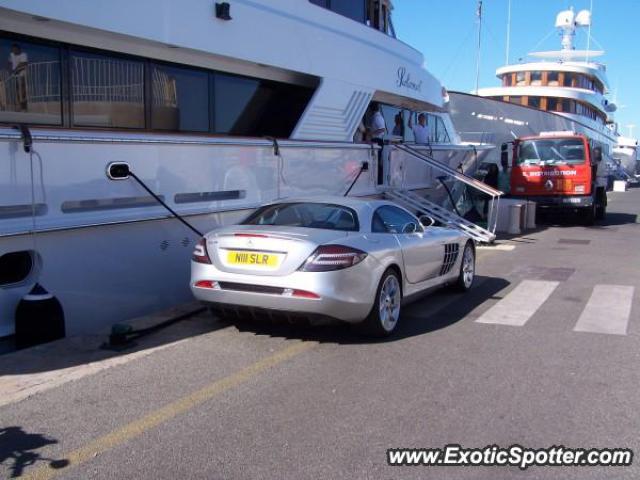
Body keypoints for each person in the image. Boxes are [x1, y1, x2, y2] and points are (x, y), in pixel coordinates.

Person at [367, 102, 387, 184]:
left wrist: (371, 133)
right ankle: (377, 180)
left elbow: (382, 129)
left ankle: (378, 181)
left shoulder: (377, 117)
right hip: (377, 140)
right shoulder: (378, 117)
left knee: (376, 161)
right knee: (376, 161)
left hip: (377, 140)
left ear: (372, 109)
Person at [8, 43, 28, 111]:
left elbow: (23, 64)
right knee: (17, 90)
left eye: (15, 49)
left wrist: (15, 70)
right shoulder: (12, 55)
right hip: (15, 76)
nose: (14, 51)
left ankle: (24, 106)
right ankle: (19, 105)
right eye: (13, 50)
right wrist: (11, 71)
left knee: (22, 90)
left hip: (22, 75)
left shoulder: (23, 55)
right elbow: (9, 63)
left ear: (19, 49)